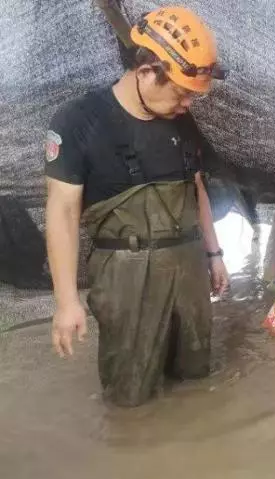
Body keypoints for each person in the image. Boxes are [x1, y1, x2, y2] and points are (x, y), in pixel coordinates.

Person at [45, 6, 229, 407]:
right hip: (126, 276)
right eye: (181, 93)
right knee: (130, 399)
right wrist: (66, 302)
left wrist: (214, 255)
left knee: (197, 383)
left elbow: (195, 187)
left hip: (189, 271)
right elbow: (61, 211)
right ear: (146, 72)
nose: (187, 104)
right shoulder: (80, 122)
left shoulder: (181, 121)